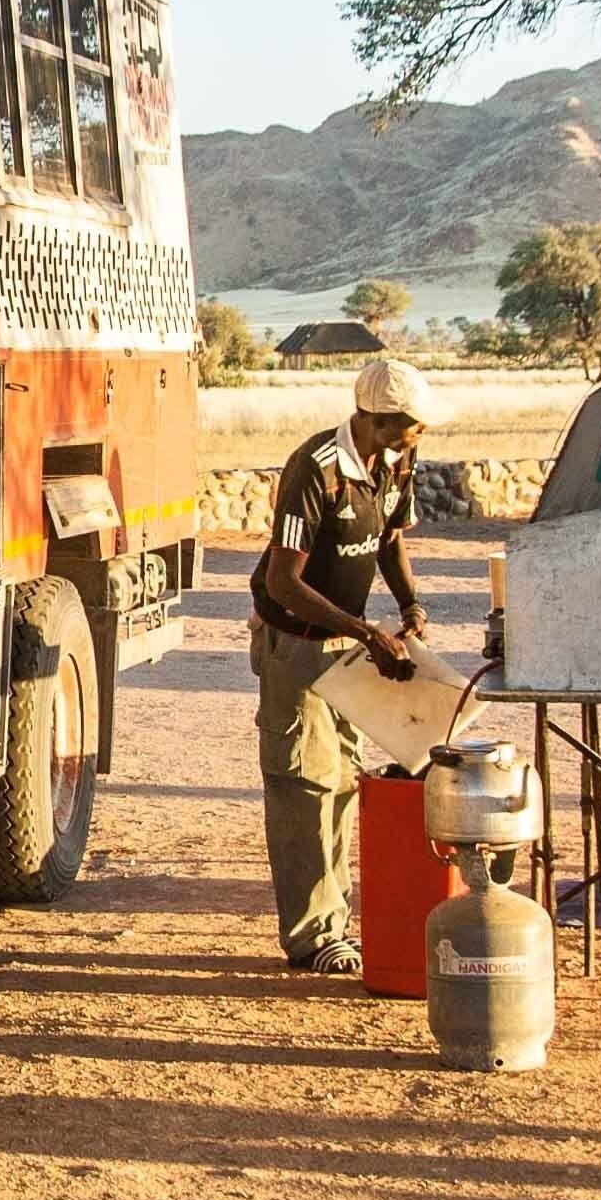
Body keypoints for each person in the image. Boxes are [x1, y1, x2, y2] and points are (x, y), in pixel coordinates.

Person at [249, 357, 438, 975]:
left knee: (344, 780)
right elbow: (283, 580)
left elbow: (388, 540)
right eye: (412, 426)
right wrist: (365, 631)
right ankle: (312, 937)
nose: (420, 436)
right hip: (299, 642)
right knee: (304, 784)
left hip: (348, 644)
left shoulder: (397, 463)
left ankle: (338, 922)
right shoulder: (316, 469)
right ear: (379, 421)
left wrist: (408, 604)